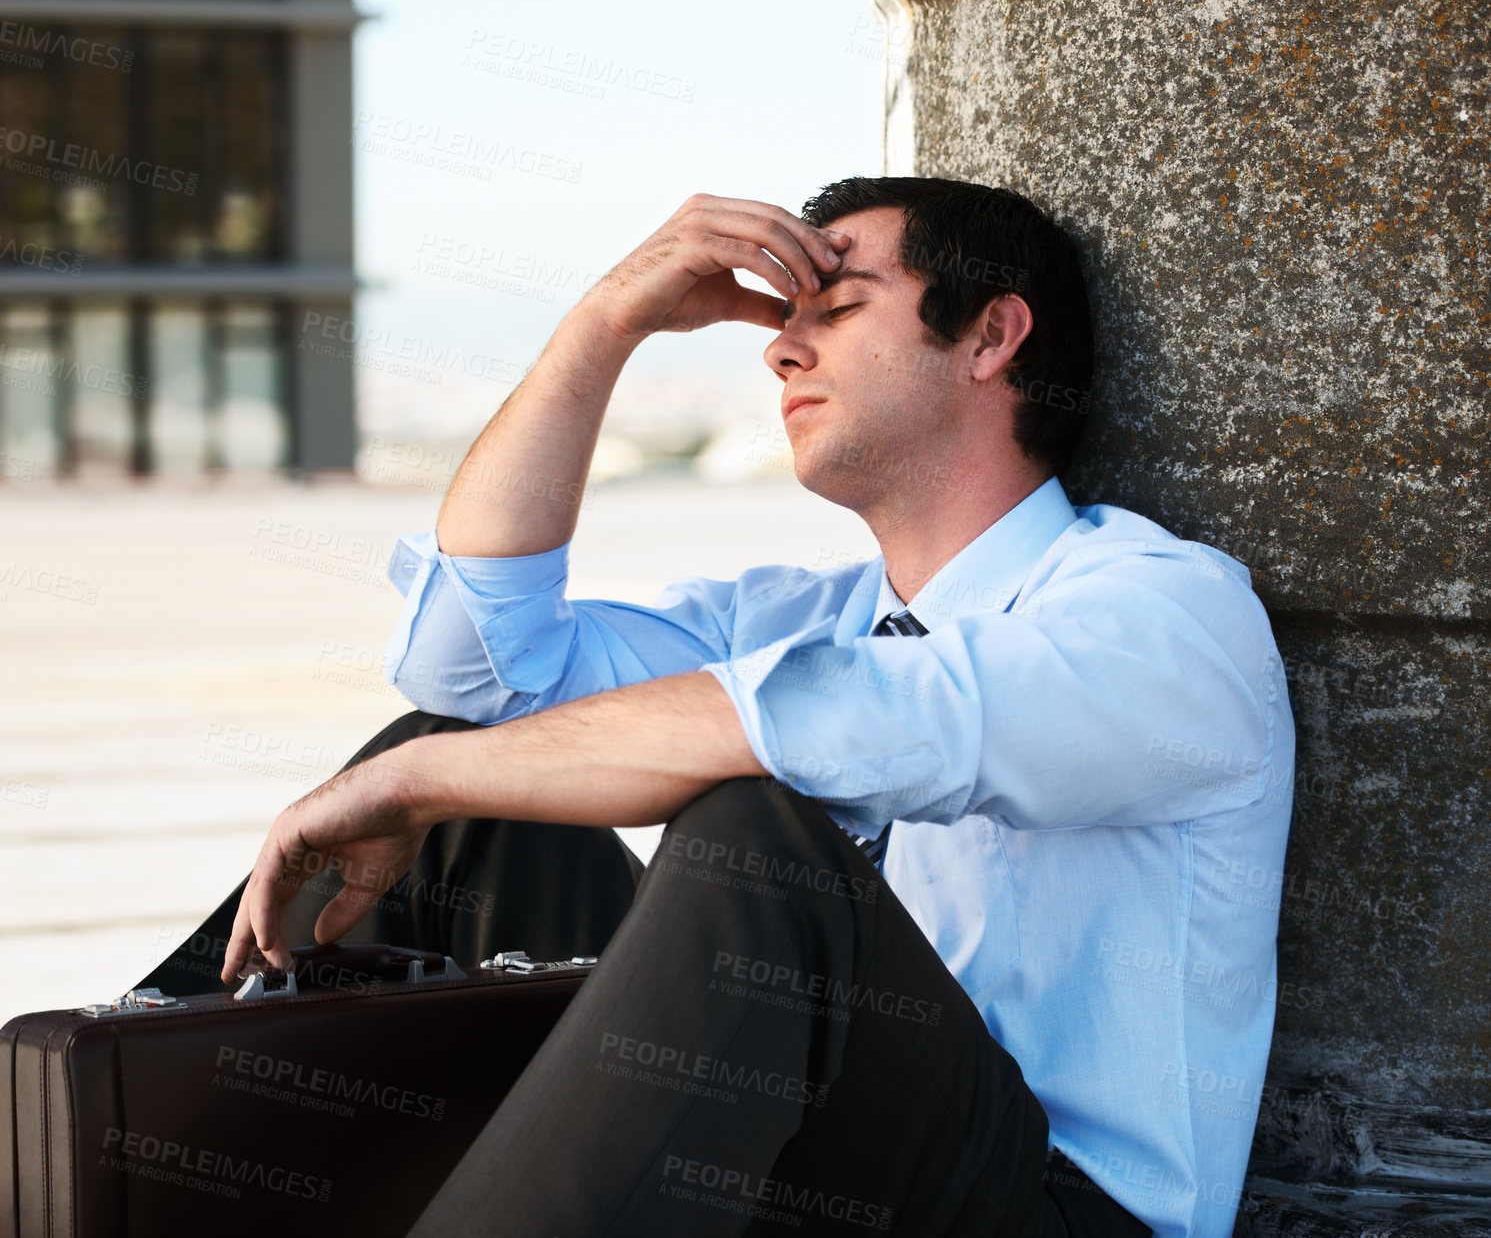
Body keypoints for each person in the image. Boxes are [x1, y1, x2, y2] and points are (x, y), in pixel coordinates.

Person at [214, 178, 1295, 1236]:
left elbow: (830, 722)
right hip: (810, 1149)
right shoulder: (803, 616)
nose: (781, 349)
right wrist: (607, 318)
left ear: (990, 337)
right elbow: (471, 663)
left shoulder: (1165, 612)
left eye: (836, 309)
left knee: (754, 828)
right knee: (460, 775)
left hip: (1048, 1201)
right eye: (784, 322)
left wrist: (410, 783)